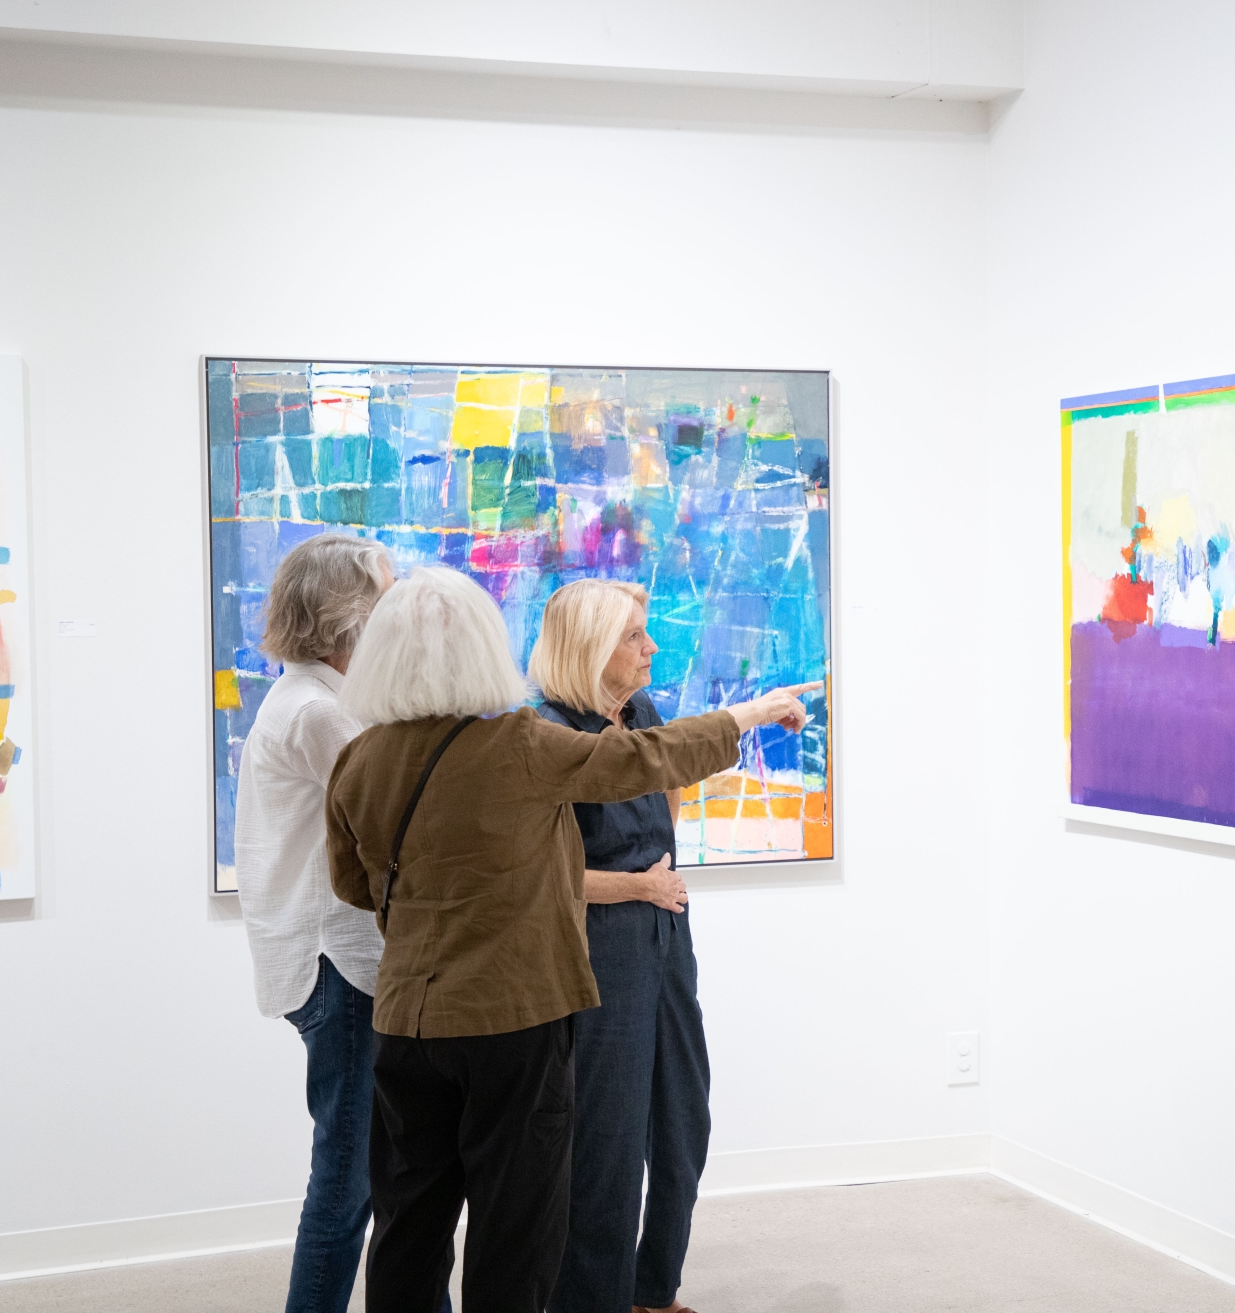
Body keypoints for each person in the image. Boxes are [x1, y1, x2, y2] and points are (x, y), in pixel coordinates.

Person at [324, 567, 817, 1313]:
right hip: (512, 1020)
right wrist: (747, 715)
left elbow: (354, 886)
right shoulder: (518, 741)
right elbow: (645, 760)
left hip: (406, 1022)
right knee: (515, 1228)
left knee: (409, 1224)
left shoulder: (359, 758)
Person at [233, 533, 453, 1313]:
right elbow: (402, 816)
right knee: (348, 1177)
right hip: (340, 965)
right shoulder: (319, 711)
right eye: (386, 594)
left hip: (339, 963)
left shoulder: (315, 699)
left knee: (383, 1165)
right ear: (347, 612)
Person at [531, 579, 743, 1313]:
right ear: (590, 647)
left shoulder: (641, 711)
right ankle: (595, 1298)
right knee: (607, 1141)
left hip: (665, 938)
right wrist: (637, 887)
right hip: (599, 951)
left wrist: (656, 885)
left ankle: (652, 1291)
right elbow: (541, 874)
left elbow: (666, 791)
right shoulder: (548, 734)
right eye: (633, 636)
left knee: (683, 1120)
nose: (651, 647)